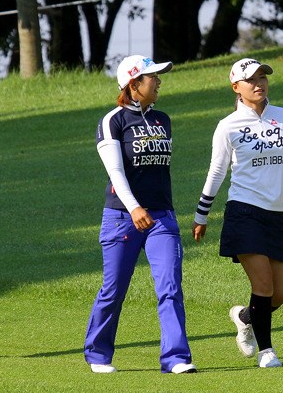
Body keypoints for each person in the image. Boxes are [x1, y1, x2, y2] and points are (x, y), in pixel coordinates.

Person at [192, 58, 283, 368]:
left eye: (263, 77)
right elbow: (217, 170)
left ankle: (244, 316)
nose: (259, 83)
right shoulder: (228, 125)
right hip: (244, 212)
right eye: (251, 79)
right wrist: (201, 214)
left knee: (280, 294)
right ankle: (267, 351)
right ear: (236, 87)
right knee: (262, 286)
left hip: (278, 214)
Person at [84, 55, 197, 374]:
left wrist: (151, 209)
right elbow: (116, 172)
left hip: (162, 217)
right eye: (152, 77)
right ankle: (97, 353)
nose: (159, 81)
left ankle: (176, 358)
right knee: (114, 288)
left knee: (170, 287)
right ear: (134, 84)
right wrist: (134, 207)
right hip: (122, 217)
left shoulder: (164, 120)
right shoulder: (113, 121)